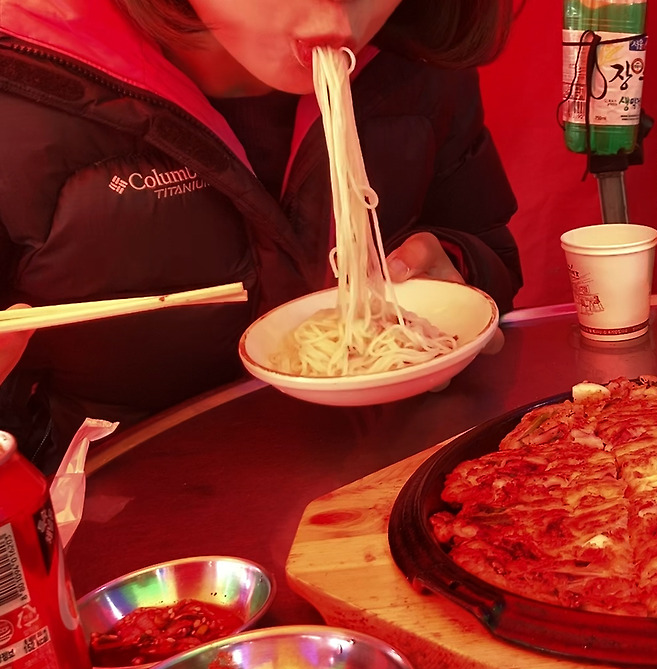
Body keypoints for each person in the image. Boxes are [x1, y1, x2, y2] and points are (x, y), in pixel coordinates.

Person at [0, 0, 522, 472]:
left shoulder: (414, 53)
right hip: (123, 514)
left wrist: (456, 275)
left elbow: (484, 244)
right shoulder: (20, 91)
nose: (335, 21)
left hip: (401, 474)